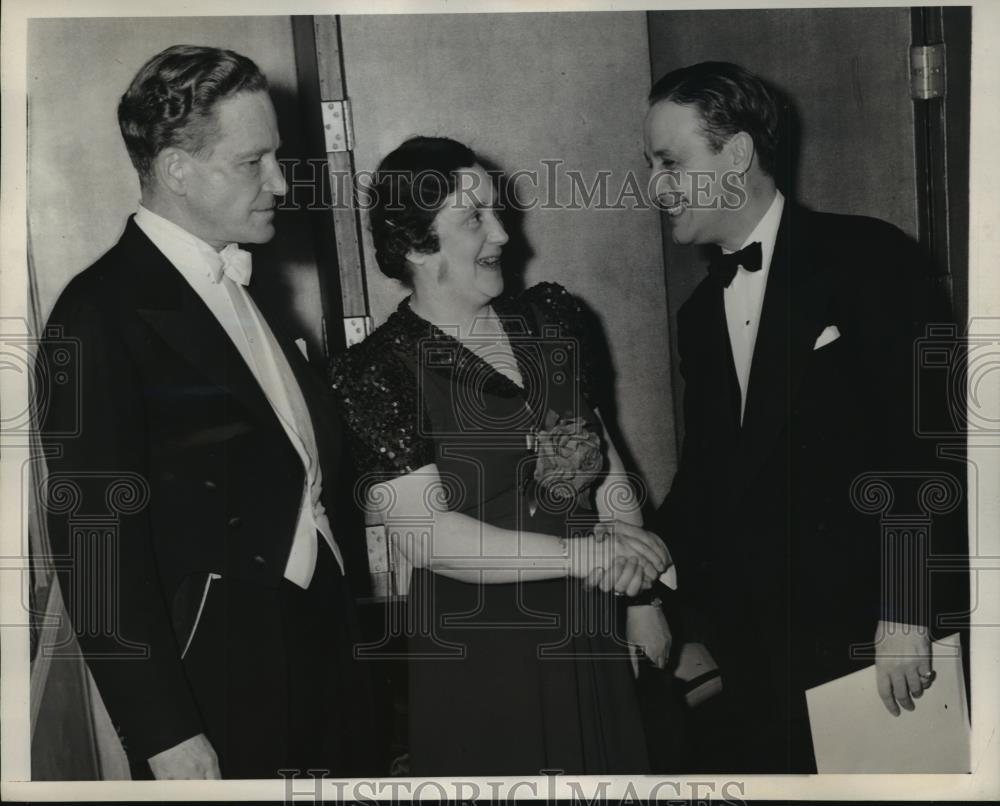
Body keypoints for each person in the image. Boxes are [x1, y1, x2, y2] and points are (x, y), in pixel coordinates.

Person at [37, 44, 374, 779]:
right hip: (217, 686)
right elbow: (94, 547)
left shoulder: (242, 286)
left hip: (316, 648)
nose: (279, 182)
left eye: (275, 157)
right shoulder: (97, 313)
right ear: (176, 170)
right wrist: (165, 735)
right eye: (252, 162)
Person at [644, 61, 955, 772]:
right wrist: (645, 583)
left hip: (876, 638)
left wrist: (907, 610)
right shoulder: (698, 315)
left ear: (737, 154)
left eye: (670, 163)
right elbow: (707, 477)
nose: (655, 187)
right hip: (756, 651)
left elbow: (923, 446)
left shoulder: (869, 257)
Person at [329, 136, 672, 775]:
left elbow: (605, 462)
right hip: (481, 648)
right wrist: (586, 557)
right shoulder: (376, 369)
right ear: (416, 245)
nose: (503, 233)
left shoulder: (553, 318)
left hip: (590, 620)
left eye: (497, 211)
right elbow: (429, 536)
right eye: (474, 218)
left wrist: (639, 590)